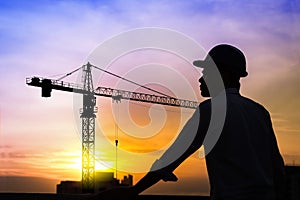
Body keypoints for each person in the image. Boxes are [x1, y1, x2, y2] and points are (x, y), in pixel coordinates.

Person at [91, 44, 286, 200]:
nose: (201, 79)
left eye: (207, 72)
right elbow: (277, 168)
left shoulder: (210, 110)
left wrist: (133, 192)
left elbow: (172, 157)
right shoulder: (260, 112)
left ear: (224, 74)